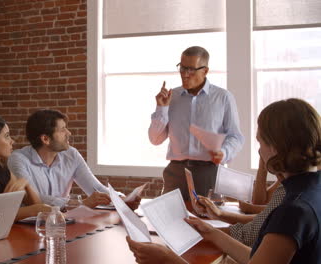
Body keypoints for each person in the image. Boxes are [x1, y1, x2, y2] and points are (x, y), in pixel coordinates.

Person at [127, 98, 321, 263]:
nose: (259, 151)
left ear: (277, 147)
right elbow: (258, 258)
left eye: (260, 142)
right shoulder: (311, 190)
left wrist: (169, 259)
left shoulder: (293, 211)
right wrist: (211, 232)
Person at [148, 46, 244, 200]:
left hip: (208, 172)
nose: (185, 74)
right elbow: (155, 139)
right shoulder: (172, 97)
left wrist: (224, 152)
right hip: (175, 172)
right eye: (182, 68)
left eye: (191, 69)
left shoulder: (223, 98)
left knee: (208, 220)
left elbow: (236, 137)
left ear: (205, 71)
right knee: (168, 220)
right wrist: (162, 108)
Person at [8, 109, 141, 209]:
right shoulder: (18, 159)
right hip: (30, 226)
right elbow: (34, 199)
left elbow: (95, 188)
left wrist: (121, 200)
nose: (69, 133)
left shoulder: (71, 154)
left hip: (64, 222)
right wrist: (80, 204)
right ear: (45, 139)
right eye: (63, 130)